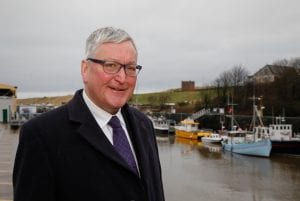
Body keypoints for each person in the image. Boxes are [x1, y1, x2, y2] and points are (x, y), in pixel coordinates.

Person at [13, 27, 165, 201]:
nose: (122, 78)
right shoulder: (41, 135)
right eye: (111, 66)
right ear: (85, 69)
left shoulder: (144, 124)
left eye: (130, 68)